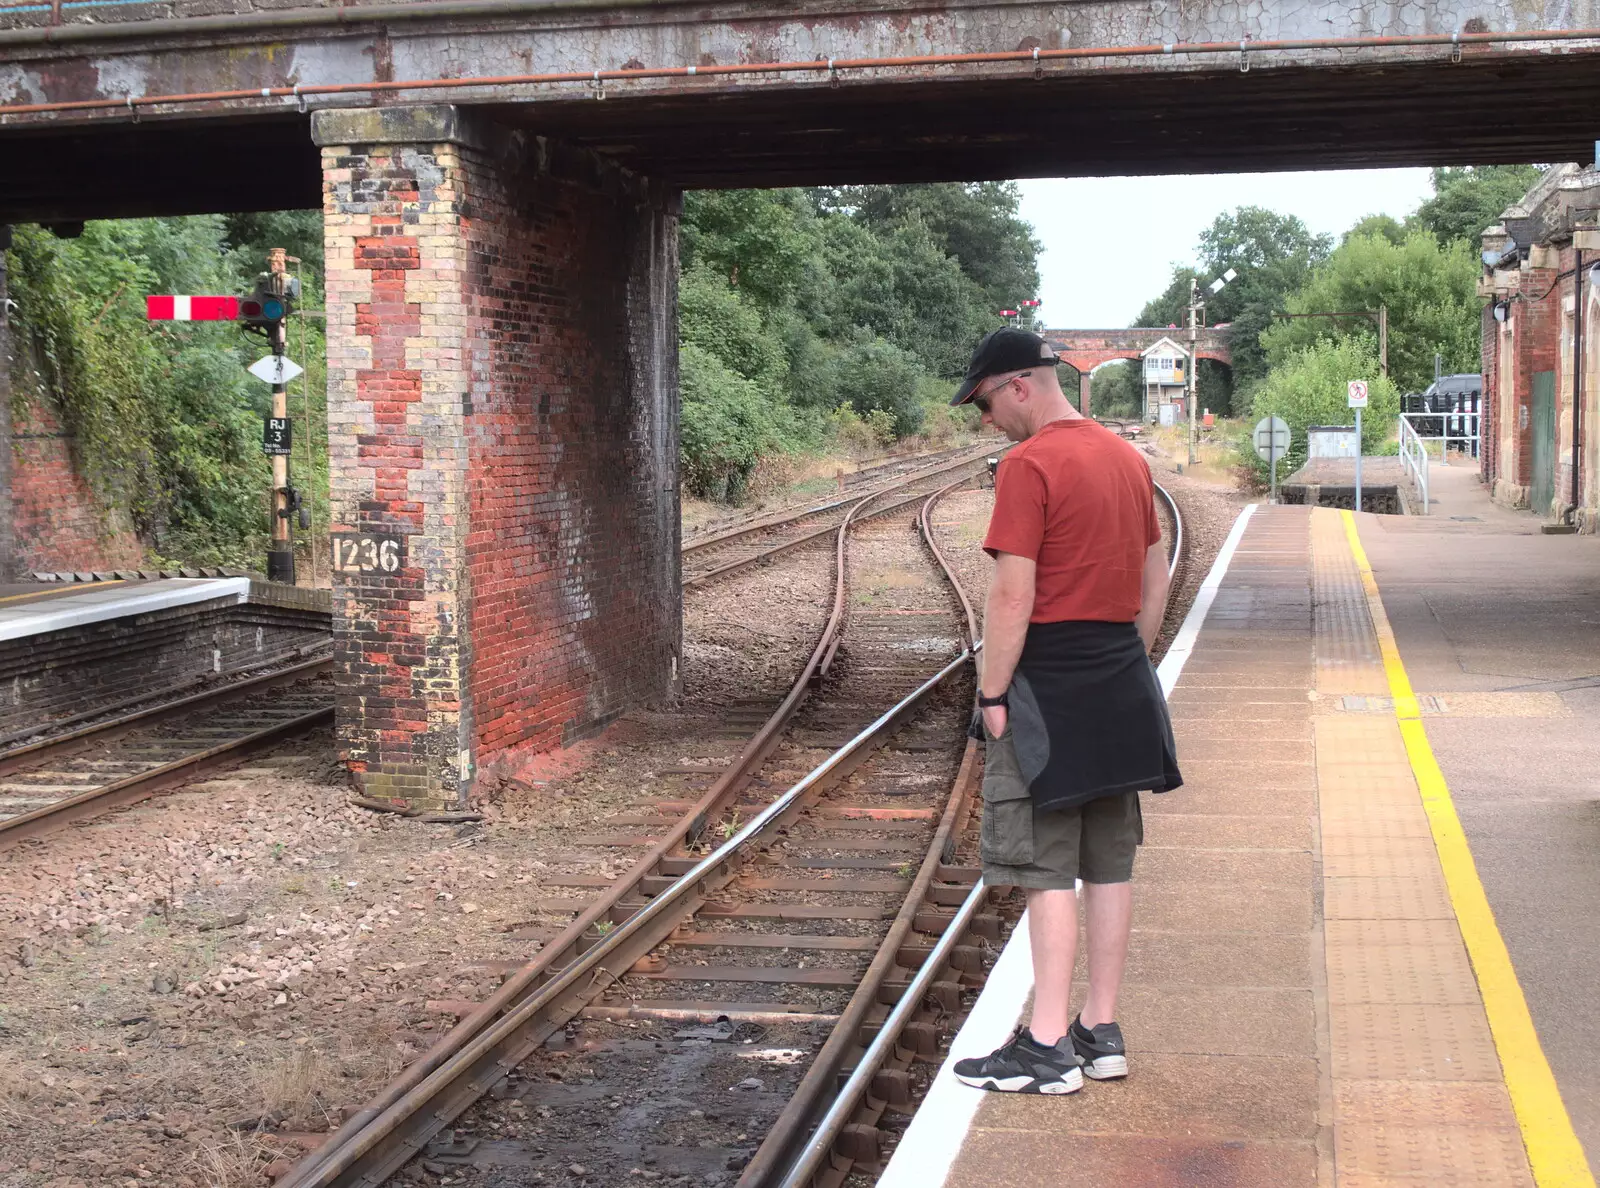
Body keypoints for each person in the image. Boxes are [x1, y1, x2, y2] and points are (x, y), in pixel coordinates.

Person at [948, 328, 1182, 1096]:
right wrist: (1129, 661)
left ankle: (1047, 1042)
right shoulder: (1126, 458)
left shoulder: (1029, 464)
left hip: (1046, 684)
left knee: (1048, 865)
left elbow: (1013, 593)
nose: (988, 420)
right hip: (1120, 678)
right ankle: (1099, 1029)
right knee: (1109, 862)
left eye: (985, 401)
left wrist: (991, 694)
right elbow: (1156, 571)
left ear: (1019, 385)